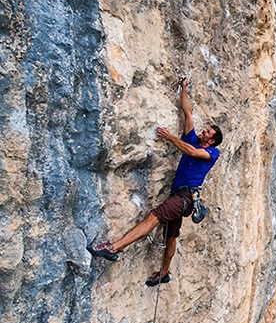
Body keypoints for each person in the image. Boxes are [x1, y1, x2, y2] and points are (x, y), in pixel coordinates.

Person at [87, 77, 223, 286]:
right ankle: (164, 273)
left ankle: (113, 248)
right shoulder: (194, 140)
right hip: (181, 196)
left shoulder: (212, 152)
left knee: (153, 218)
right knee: (171, 236)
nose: (203, 132)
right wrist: (184, 88)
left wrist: (170, 137)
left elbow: (192, 152)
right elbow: (188, 112)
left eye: (208, 133)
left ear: (211, 140)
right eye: (205, 130)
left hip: (185, 197)